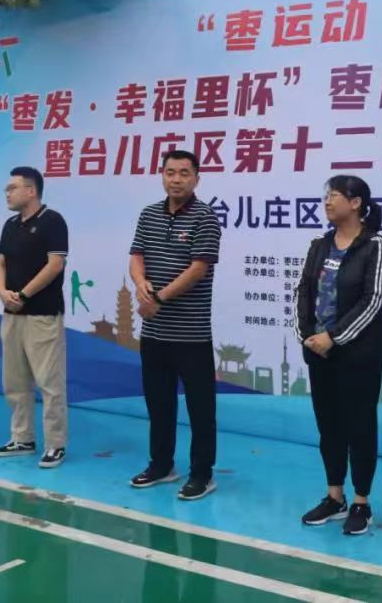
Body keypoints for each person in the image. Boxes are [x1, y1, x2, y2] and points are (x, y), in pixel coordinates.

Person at [295, 175, 382, 536]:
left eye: (335, 195)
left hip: (358, 355)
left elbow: (372, 301)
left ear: (355, 203)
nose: (327, 201)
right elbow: (304, 290)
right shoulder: (319, 245)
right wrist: (307, 335)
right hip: (319, 354)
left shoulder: (375, 246)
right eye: (326, 195)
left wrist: (333, 338)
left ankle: (361, 502)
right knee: (329, 425)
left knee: (360, 426)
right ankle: (334, 496)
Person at [128, 150, 222, 501]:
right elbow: (136, 256)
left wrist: (158, 298)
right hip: (154, 333)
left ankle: (202, 474)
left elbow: (198, 269)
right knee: (159, 404)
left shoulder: (205, 217)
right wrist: (140, 284)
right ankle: (161, 465)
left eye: (184, 173)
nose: (177, 179)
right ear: (162, 175)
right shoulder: (148, 214)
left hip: (191, 334)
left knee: (201, 409)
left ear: (197, 178)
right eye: (170, 172)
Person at [0, 166, 70, 468]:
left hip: (42, 315)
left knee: (49, 383)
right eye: (6, 189)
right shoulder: (10, 224)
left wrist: (23, 295)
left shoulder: (53, 221)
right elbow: (0, 262)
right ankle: (22, 437)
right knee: (15, 381)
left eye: (13, 188)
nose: (7, 193)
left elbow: (55, 265)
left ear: (31, 190)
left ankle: (55, 444)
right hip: (11, 315)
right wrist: (2, 292)